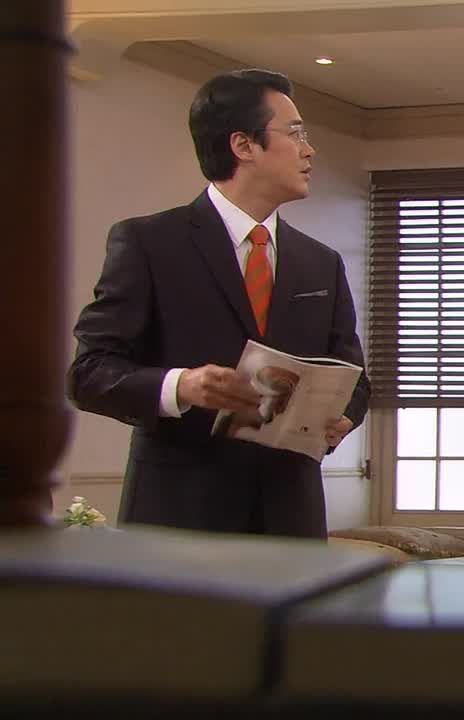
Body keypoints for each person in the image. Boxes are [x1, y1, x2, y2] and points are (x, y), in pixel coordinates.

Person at [68, 69, 371, 538]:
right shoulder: (149, 243)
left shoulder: (321, 263)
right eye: (295, 134)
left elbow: (353, 376)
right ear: (243, 145)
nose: (309, 150)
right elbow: (89, 374)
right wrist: (183, 386)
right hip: (180, 518)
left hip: (290, 519)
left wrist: (344, 417)